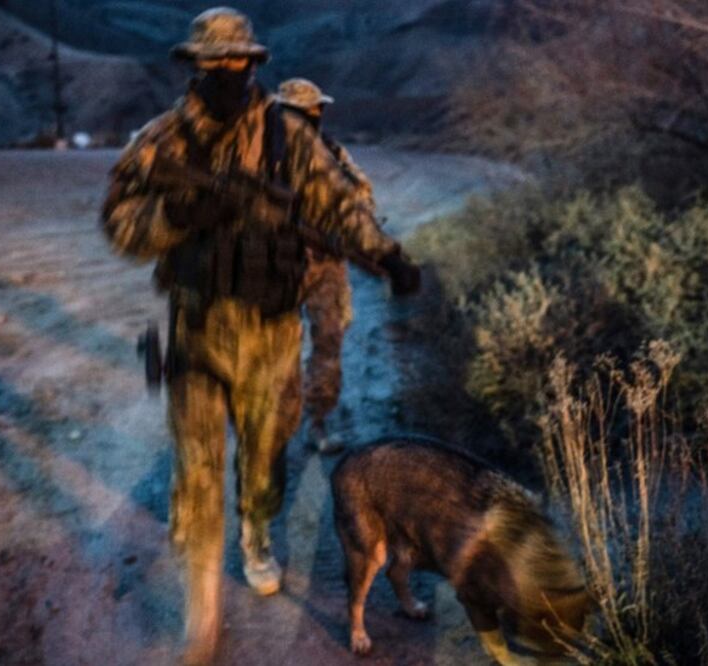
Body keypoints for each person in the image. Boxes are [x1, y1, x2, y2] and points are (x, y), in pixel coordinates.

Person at [99, 8, 420, 663]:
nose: (227, 74)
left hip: (271, 336)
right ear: (194, 66)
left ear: (253, 63)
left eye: (237, 63)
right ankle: (202, 613)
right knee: (197, 467)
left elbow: (338, 201)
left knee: (266, 460)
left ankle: (256, 532)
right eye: (214, 65)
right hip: (197, 330)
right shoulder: (164, 139)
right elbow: (121, 223)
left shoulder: (285, 137)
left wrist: (385, 254)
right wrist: (177, 212)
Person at [275, 78, 371, 455]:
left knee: (327, 343)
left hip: (325, 266)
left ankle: (317, 420)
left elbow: (362, 197)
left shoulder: (332, 152)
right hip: (277, 266)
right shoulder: (257, 157)